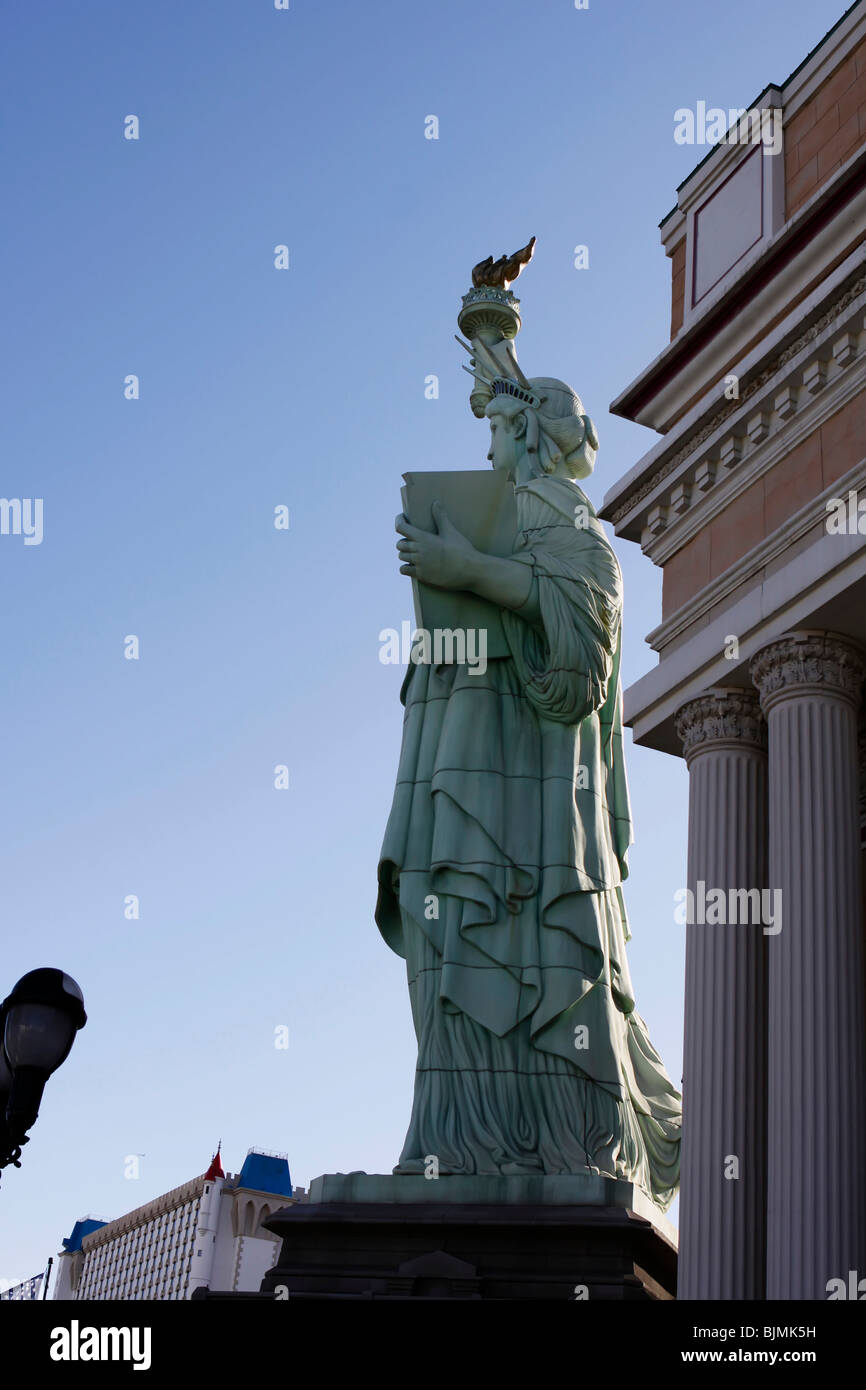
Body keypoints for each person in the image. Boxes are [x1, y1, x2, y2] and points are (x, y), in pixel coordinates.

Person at [376, 374, 681, 1209]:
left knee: (524, 941)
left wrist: (467, 568)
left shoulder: (563, 519)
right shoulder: (521, 514)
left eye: (502, 430)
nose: (487, 448)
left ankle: (555, 1136)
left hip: (539, 806)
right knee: (441, 915)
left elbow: (584, 627)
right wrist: (492, 345)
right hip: (463, 771)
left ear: (535, 435)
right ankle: (456, 1137)